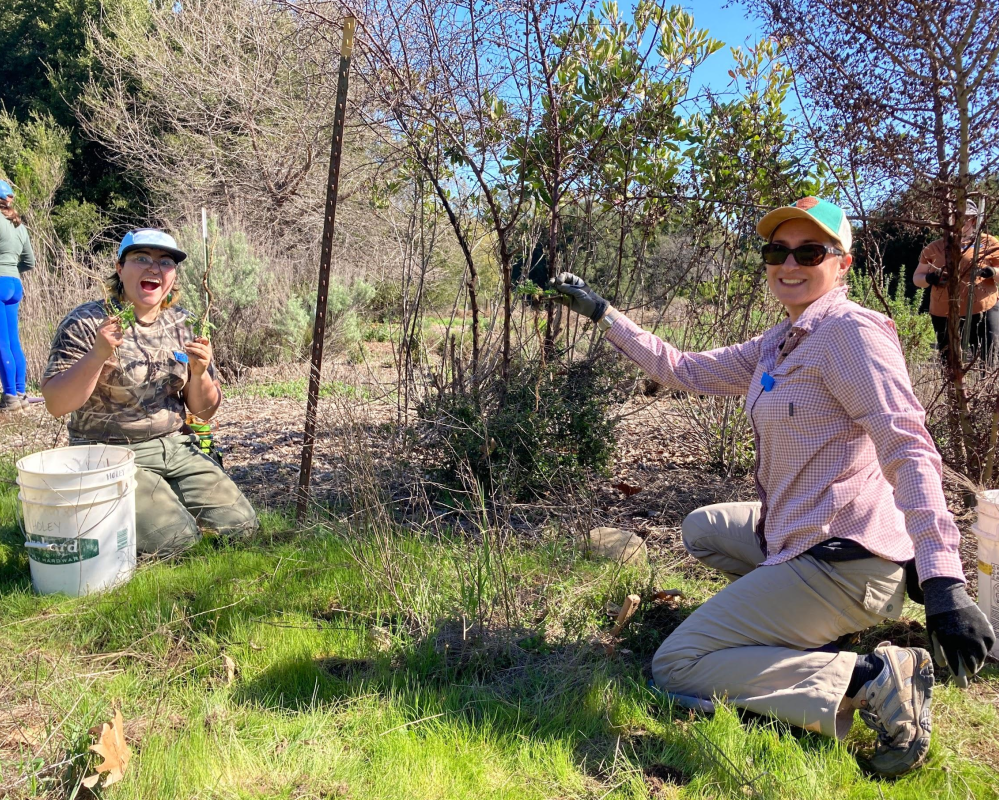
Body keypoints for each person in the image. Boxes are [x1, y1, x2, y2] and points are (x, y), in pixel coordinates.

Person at [552, 197, 994, 776]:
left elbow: (908, 449)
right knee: (702, 529)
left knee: (678, 665)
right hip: (803, 531)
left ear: (843, 263)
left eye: (809, 251)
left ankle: (874, 679)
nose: (789, 263)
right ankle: (787, 629)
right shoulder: (783, 341)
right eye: (776, 251)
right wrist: (602, 312)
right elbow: (680, 367)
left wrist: (941, 579)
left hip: (844, 557)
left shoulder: (850, 335)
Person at [40, 228, 257, 554]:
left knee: (243, 528)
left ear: (172, 275)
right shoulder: (86, 322)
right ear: (120, 268)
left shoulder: (185, 323)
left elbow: (205, 410)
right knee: (178, 542)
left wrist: (199, 376)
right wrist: (98, 353)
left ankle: (162, 504)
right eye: (141, 258)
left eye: (164, 262)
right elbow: (57, 404)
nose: (153, 268)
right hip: (110, 455)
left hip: (177, 448)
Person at [912, 200, 999, 365]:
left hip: (983, 309)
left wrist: (992, 272)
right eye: (953, 218)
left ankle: (987, 390)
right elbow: (917, 279)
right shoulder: (934, 248)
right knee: (949, 362)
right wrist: (930, 278)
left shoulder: (989, 243)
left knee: (989, 358)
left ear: (973, 219)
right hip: (944, 313)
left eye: (963, 218)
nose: (957, 222)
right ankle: (952, 391)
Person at [0, 179, 35, 412]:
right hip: (15, 283)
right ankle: (21, 394)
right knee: (14, 341)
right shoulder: (19, 226)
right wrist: (11, 269)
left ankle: (10, 397)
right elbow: (29, 262)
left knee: (2, 343)